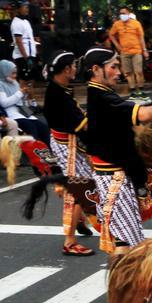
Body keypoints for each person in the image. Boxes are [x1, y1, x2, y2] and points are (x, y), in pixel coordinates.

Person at [83, 47, 152, 259]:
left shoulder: (102, 94)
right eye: (114, 67)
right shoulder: (102, 98)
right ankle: (121, 286)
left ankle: (124, 285)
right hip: (113, 177)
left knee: (127, 238)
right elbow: (145, 114)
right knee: (125, 242)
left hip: (114, 173)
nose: (119, 72)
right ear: (96, 69)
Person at [43, 51, 95, 256]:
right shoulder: (58, 95)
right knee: (78, 190)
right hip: (66, 146)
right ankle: (70, 241)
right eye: (73, 66)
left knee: (84, 184)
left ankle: (79, 220)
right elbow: (82, 124)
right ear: (66, 70)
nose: (75, 68)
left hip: (66, 143)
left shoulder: (60, 89)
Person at [0, 60, 47, 142]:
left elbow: (21, 101)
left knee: (43, 127)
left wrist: (26, 94)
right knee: (31, 128)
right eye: (13, 73)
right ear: (5, 72)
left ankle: (48, 150)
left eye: (15, 73)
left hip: (22, 112)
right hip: (11, 113)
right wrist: (20, 93)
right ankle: (34, 152)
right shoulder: (1, 84)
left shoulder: (15, 83)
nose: (15, 76)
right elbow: (4, 103)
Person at [109, 6, 147, 98]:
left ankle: (141, 90)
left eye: (124, 13)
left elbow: (141, 38)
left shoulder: (136, 24)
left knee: (138, 71)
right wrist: (117, 45)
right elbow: (111, 34)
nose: (122, 15)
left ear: (129, 14)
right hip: (124, 52)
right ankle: (133, 90)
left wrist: (144, 50)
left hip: (136, 51)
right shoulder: (117, 24)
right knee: (128, 72)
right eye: (121, 13)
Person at [9, 2, 37, 87]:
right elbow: (19, 41)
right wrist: (26, 58)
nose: (27, 9)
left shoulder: (26, 22)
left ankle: (30, 99)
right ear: (18, 9)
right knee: (24, 79)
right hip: (22, 56)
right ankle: (25, 99)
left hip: (30, 54)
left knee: (31, 78)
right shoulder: (16, 23)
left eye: (27, 7)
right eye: (24, 7)